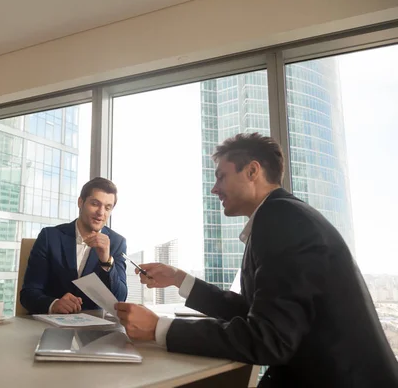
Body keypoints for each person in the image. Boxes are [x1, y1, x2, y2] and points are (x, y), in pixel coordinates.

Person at [115, 133, 398, 387]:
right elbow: (253, 312)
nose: (214, 189)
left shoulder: (282, 220)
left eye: (221, 176)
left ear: (252, 171)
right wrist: (179, 279)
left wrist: (158, 328)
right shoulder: (279, 217)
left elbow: (268, 338)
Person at [20, 177, 127, 314]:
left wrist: (106, 260)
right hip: (51, 327)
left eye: (107, 207)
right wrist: (54, 304)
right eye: (95, 204)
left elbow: (120, 299)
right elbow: (28, 293)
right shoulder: (50, 236)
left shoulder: (117, 242)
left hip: (96, 330)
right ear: (80, 202)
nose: (101, 213)